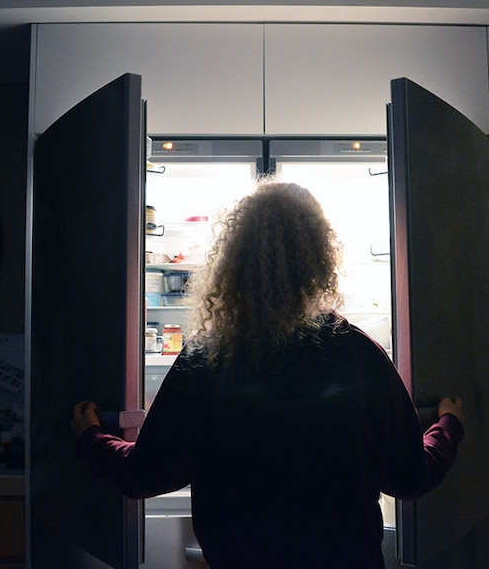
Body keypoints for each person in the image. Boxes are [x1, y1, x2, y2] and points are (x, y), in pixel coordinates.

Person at [71, 182, 464, 569]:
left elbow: (145, 474)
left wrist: (92, 436)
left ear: (234, 263)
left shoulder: (208, 361)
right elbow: (410, 477)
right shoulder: (359, 355)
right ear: (320, 261)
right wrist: (447, 425)